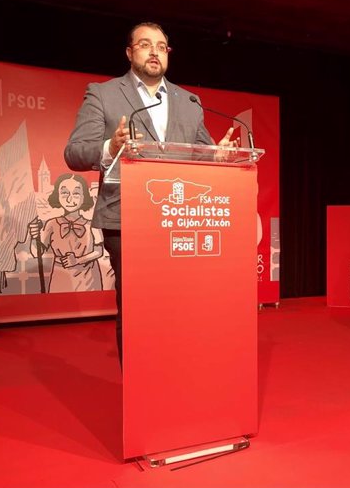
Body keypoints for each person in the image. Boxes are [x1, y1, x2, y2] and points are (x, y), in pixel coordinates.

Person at [63, 22, 237, 364]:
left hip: (181, 219)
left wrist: (219, 155)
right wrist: (111, 146)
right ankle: (140, 390)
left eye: (161, 46)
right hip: (127, 217)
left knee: (179, 304)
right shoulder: (104, 94)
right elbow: (74, 152)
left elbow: (203, 151)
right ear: (130, 53)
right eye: (145, 44)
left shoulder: (189, 101)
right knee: (138, 306)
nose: (155, 51)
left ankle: (176, 373)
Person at [28, 173, 104, 292]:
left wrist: (78, 260)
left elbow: (99, 251)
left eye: (76, 193)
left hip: (89, 279)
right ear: (57, 196)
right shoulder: (51, 224)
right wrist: (34, 237)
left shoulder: (92, 224)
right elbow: (36, 253)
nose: (70, 199)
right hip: (61, 277)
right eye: (64, 193)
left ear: (84, 197)